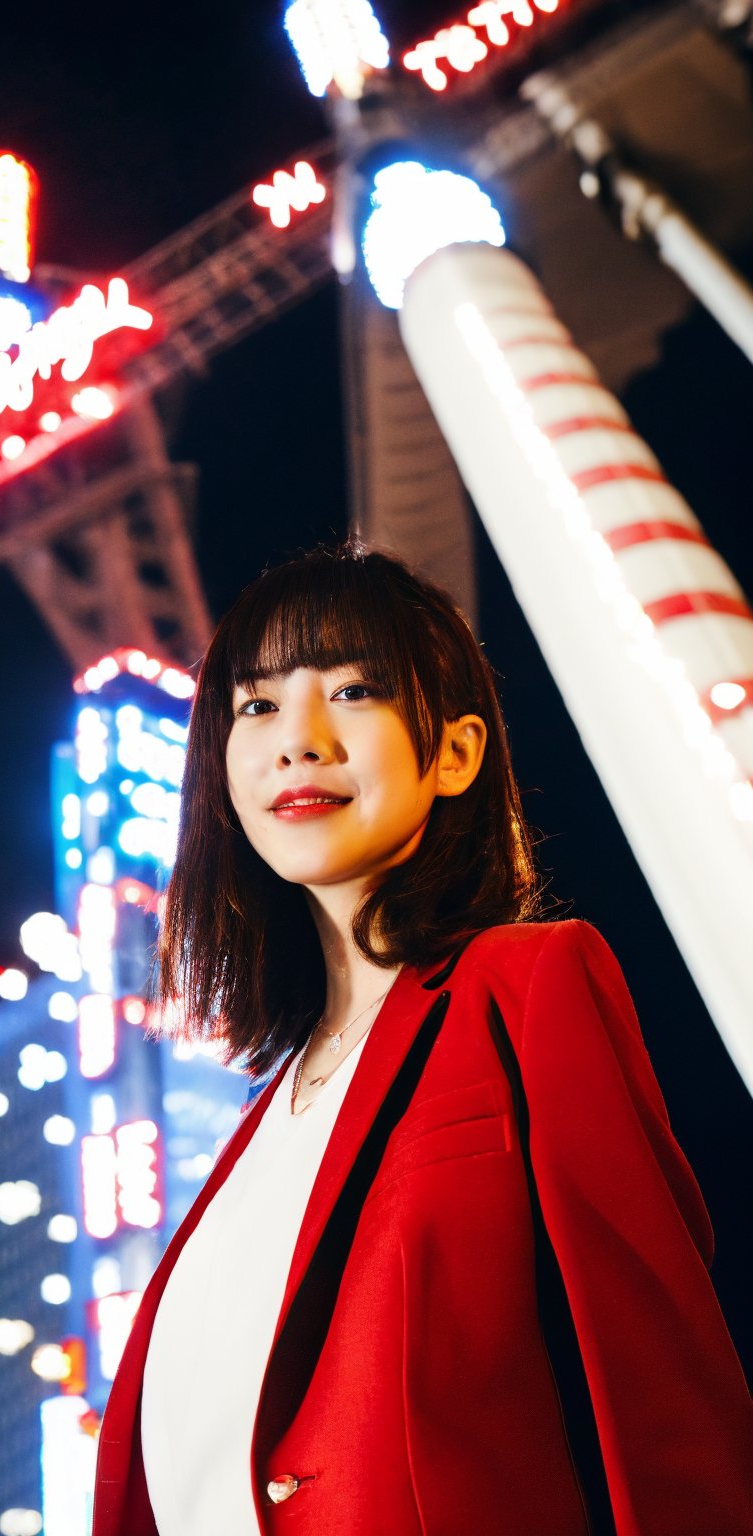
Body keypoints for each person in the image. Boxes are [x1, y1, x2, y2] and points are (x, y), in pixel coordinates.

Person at [93, 542, 753, 1536]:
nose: (297, 741)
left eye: (352, 690)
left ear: (453, 754)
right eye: (256, 705)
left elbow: (658, 1392)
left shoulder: (527, 988)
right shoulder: (258, 1121)